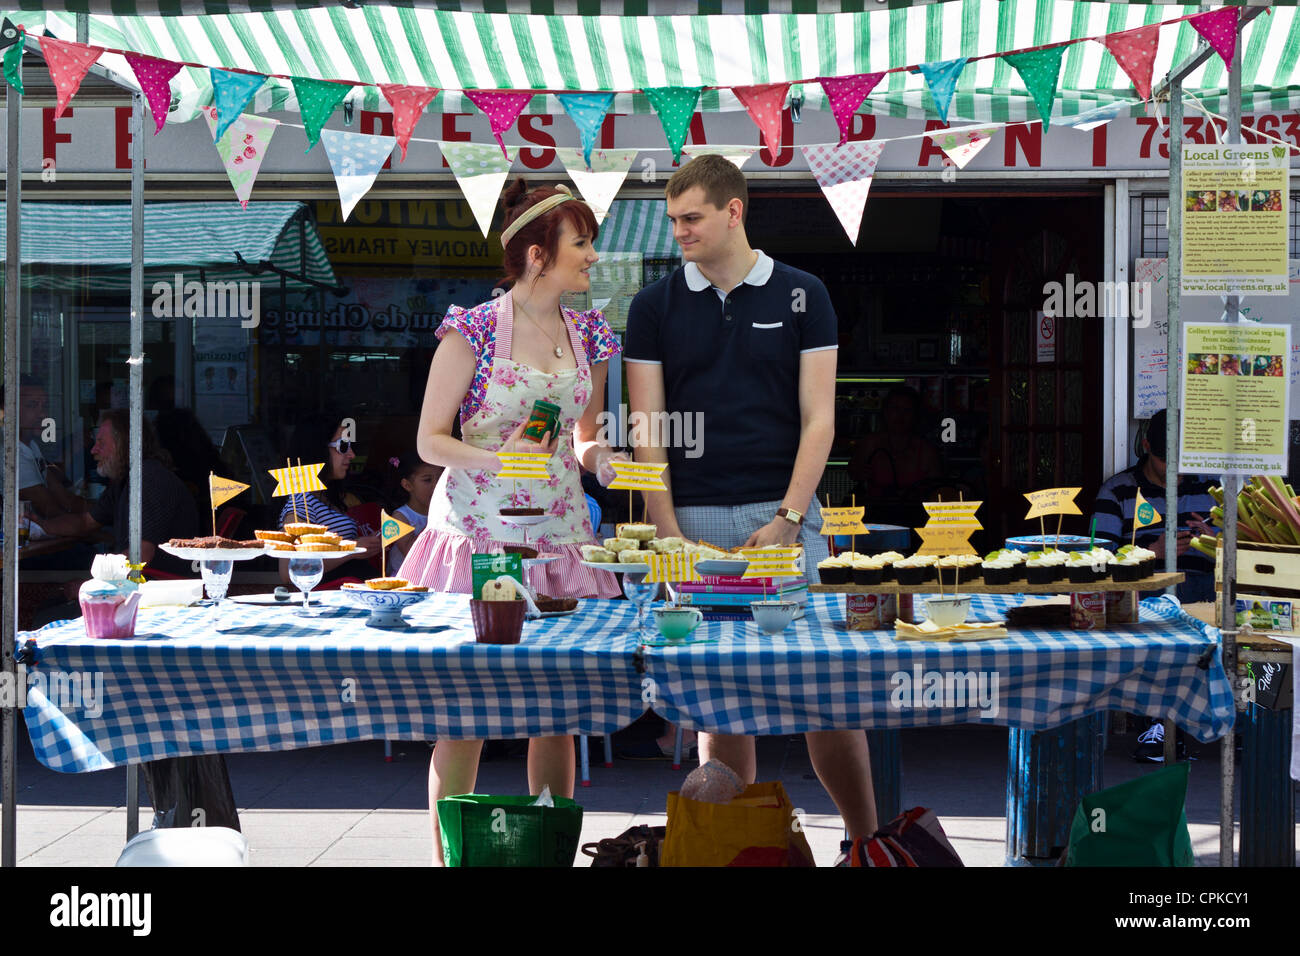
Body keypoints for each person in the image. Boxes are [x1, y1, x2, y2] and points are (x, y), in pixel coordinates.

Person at [624, 153, 878, 853]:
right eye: (673, 220)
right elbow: (647, 429)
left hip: (786, 513)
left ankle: (866, 846)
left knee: (832, 697)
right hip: (694, 519)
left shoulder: (804, 293)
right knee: (718, 704)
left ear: (734, 212)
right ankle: (730, 853)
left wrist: (791, 519)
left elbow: (820, 418)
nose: (678, 231)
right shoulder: (653, 304)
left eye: (691, 218)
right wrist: (666, 528)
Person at [402, 177, 627, 863]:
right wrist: (497, 462)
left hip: (559, 536)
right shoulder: (468, 329)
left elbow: (582, 434)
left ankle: (548, 854)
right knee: (462, 711)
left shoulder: (589, 331)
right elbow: (430, 441)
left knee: (556, 712)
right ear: (537, 254)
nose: (592, 255)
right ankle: (450, 859)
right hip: (477, 534)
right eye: (580, 242)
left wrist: (601, 458)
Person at [1091, 407, 1217, 763]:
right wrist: (1152, 551)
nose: (1173, 469)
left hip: (1204, 591)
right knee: (1156, 615)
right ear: (1146, 446)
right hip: (1147, 594)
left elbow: (1244, 549)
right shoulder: (1118, 490)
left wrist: (1214, 541)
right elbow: (1098, 558)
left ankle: (1223, 723)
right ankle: (1158, 722)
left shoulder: (1209, 488)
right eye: (1164, 460)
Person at [32, 409, 198, 576]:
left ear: (124, 445)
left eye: (101, 443)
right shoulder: (124, 480)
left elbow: (141, 554)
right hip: (139, 582)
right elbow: (85, 522)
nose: (93, 450)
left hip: (162, 587)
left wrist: (93, 584)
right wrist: (41, 526)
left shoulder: (148, 478)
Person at [277, 413, 381, 585]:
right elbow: (290, 570)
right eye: (343, 446)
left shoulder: (327, 498)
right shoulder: (300, 503)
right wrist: (352, 549)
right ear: (317, 449)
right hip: (327, 603)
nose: (352, 454)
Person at [848, 384, 943, 526]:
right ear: (885, 412)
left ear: (915, 415)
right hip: (875, 516)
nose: (900, 416)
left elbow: (937, 489)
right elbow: (853, 472)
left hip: (914, 517)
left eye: (907, 410)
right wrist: (861, 473)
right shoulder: (871, 443)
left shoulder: (925, 449)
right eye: (895, 409)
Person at [3, 377, 85, 519]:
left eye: (44, 406)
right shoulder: (10, 454)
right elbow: (53, 513)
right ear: (10, 409)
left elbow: (67, 500)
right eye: (32, 405)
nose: (42, 414)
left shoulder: (31, 446)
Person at [384, 450, 441, 574]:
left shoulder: (442, 513)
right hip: (405, 580)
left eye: (439, 478)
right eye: (427, 480)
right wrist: (435, 519)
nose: (436, 485)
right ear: (407, 485)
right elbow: (410, 552)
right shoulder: (400, 517)